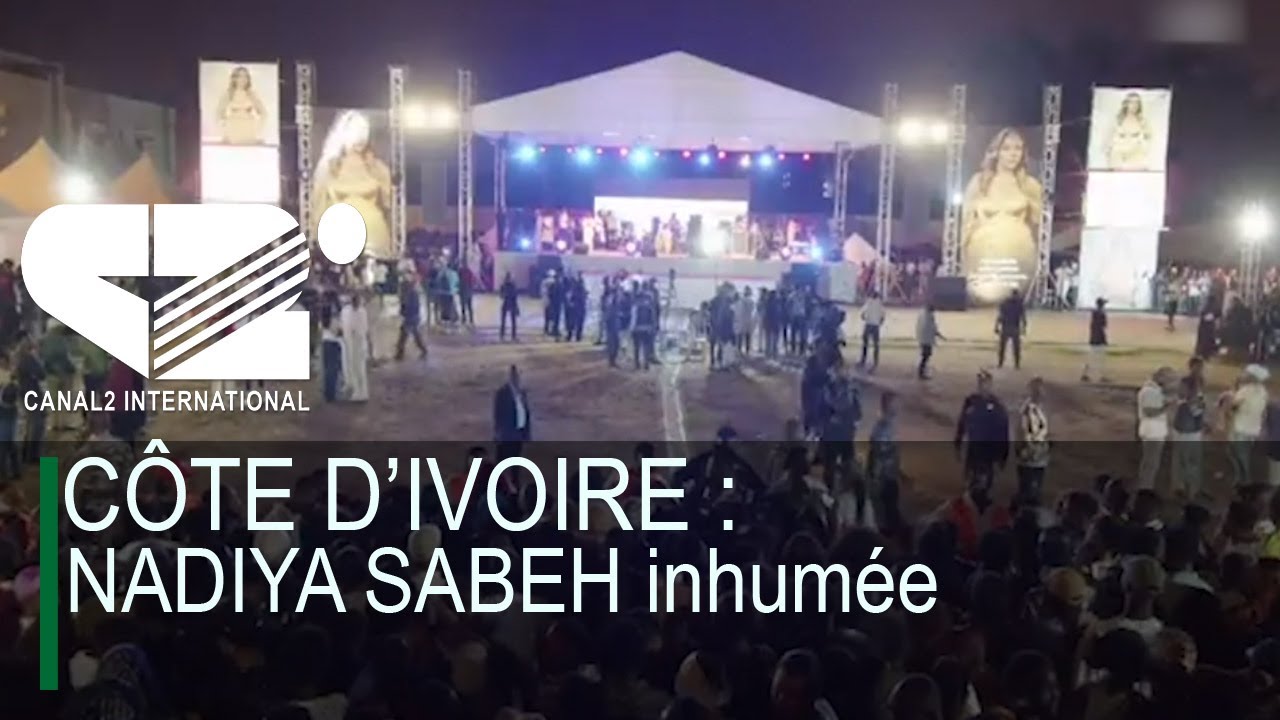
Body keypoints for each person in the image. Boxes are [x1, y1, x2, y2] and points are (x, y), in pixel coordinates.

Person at [960, 127, 1043, 304]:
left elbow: (1039, 227)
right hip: (983, 257)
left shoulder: (1030, 185)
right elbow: (966, 224)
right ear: (996, 152)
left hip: (1019, 259)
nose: (1013, 154)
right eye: (1006, 148)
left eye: (1018, 148)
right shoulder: (979, 183)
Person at [313, 110, 394, 259]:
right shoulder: (330, 167)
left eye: (363, 133)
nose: (360, 140)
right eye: (355, 133)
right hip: (339, 235)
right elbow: (317, 207)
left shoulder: (377, 168)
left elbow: (389, 204)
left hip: (375, 236)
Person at [954, 369, 1010, 488]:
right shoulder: (971, 401)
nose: (983, 386)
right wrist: (957, 443)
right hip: (974, 448)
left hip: (988, 449)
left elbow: (1003, 430)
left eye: (985, 383)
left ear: (990, 385)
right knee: (971, 478)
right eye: (981, 383)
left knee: (985, 480)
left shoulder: (996, 404)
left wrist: (1002, 455)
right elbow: (962, 422)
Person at [1225, 364, 1269, 486]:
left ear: (1252, 377)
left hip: (1241, 427)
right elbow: (1264, 412)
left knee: (1237, 453)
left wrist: (1229, 403)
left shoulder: (1245, 390)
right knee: (1242, 452)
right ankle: (1241, 476)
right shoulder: (1263, 390)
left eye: (1246, 373)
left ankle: (1245, 478)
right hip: (1253, 428)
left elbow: (1233, 406)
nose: (1243, 374)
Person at [866, 390, 902, 534]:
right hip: (883, 476)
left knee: (889, 509)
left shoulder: (888, 424)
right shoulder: (883, 426)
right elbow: (877, 451)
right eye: (895, 405)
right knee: (885, 511)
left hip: (887, 474)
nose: (898, 408)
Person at [1136, 366, 1177, 491]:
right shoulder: (1150, 391)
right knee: (1151, 463)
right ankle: (1145, 488)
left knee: (1150, 463)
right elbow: (1149, 412)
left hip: (1153, 431)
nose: (1169, 383)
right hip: (1152, 432)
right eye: (1169, 379)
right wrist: (1167, 407)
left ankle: (1145, 486)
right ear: (1161, 377)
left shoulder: (1154, 390)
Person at [1170, 374, 1207, 500]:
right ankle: (1184, 489)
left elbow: (1197, 414)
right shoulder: (1186, 400)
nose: (1179, 389)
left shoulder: (1194, 401)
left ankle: (1190, 490)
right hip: (1184, 434)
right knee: (1184, 462)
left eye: (1182, 387)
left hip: (1189, 435)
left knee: (1188, 463)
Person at [1016, 377, 1050, 510]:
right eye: (1039, 391)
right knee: (1029, 493)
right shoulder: (1028, 410)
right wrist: (1033, 451)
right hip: (1031, 458)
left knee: (1033, 491)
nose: (1042, 394)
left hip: (1037, 457)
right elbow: (1025, 434)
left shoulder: (1038, 409)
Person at [215, 65, 267, 145]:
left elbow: (263, 113)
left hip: (249, 130)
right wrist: (224, 132)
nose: (243, 79)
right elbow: (218, 114)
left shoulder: (252, 94)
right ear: (234, 78)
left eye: (245, 76)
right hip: (232, 130)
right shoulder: (228, 94)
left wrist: (258, 130)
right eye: (240, 76)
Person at [493, 365, 531, 457]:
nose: (516, 378)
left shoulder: (521, 393)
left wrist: (526, 434)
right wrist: (498, 432)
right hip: (507, 435)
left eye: (517, 376)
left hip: (519, 433)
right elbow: (498, 414)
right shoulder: (502, 393)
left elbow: (526, 413)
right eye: (514, 375)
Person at [339, 293, 370, 402]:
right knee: (348, 365)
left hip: (358, 344)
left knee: (359, 368)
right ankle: (351, 384)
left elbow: (363, 330)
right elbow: (344, 325)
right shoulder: (346, 311)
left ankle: (361, 392)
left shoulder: (362, 312)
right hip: (348, 343)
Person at [394, 275, 427, 360]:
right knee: (413, 335)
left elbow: (410, 306)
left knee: (405, 336)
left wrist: (404, 312)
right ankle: (422, 350)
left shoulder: (411, 294)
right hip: (412, 317)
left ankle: (400, 353)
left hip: (411, 317)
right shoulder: (411, 293)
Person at [995, 288, 1027, 370]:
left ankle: (1001, 363)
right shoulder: (1019, 304)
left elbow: (1000, 316)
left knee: (1003, 347)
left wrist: (996, 326)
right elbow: (1023, 317)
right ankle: (1016, 364)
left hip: (1006, 327)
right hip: (1014, 327)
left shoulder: (1005, 303)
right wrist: (1024, 327)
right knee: (1016, 347)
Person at [1082, 297, 1109, 383]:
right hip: (1099, 339)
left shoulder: (1095, 313)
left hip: (1093, 338)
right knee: (1100, 359)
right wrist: (1104, 340)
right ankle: (1101, 376)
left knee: (1091, 358)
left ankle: (1086, 374)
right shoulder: (1101, 313)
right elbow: (1103, 326)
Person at [915, 304, 945, 379]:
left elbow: (923, 327)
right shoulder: (929, 316)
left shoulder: (922, 315)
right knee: (926, 356)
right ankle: (921, 373)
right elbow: (932, 328)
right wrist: (939, 335)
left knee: (925, 356)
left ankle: (921, 372)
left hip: (923, 339)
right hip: (927, 340)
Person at [631, 291, 657, 371]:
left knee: (637, 348)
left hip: (637, 329)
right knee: (646, 347)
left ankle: (637, 364)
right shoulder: (650, 307)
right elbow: (653, 319)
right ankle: (646, 364)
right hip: (647, 329)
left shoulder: (636, 307)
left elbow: (633, 320)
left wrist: (632, 329)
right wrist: (652, 328)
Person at [859, 290, 885, 371]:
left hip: (868, 324)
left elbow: (862, 314)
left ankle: (863, 359)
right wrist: (879, 322)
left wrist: (865, 319)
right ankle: (875, 360)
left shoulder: (868, 302)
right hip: (875, 326)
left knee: (865, 343)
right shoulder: (879, 304)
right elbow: (883, 316)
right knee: (876, 344)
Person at [320, 313, 344, 402]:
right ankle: (332, 394)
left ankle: (328, 393)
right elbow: (337, 332)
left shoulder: (323, 314)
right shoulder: (333, 316)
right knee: (333, 370)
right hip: (333, 342)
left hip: (325, 341)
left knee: (328, 370)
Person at [499, 272, 520, 340]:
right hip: (511, 303)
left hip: (508, 303)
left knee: (506, 320)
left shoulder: (505, 285)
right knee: (511, 321)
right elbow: (515, 295)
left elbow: (501, 296)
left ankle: (504, 335)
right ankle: (511, 335)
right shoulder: (510, 285)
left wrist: (505, 294)